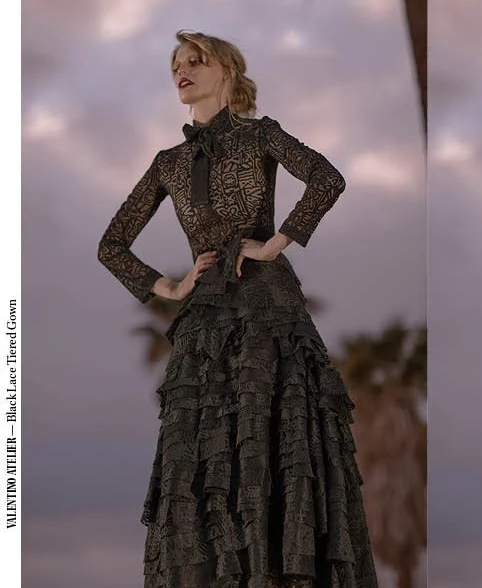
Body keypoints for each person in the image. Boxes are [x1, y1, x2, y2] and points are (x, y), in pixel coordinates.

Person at [98, 30, 379, 588]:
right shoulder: (168, 162)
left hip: (271, 312)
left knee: (279, 445)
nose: (182, 70)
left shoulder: (261, 135)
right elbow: (112, 245)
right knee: (201, 461)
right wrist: (170, 287)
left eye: (195, 61)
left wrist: (276, 242)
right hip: (203, 325)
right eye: (175, 64)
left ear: (227, 71)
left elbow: (328, 178)